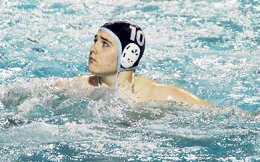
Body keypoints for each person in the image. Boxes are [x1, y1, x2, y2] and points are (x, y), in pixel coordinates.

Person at [52, 21, 213, 106]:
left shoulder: (161, 95)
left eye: (105, 44)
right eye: (95, 41)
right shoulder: (75, 87)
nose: (93, 48)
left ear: (128, 55)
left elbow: (220, 116)